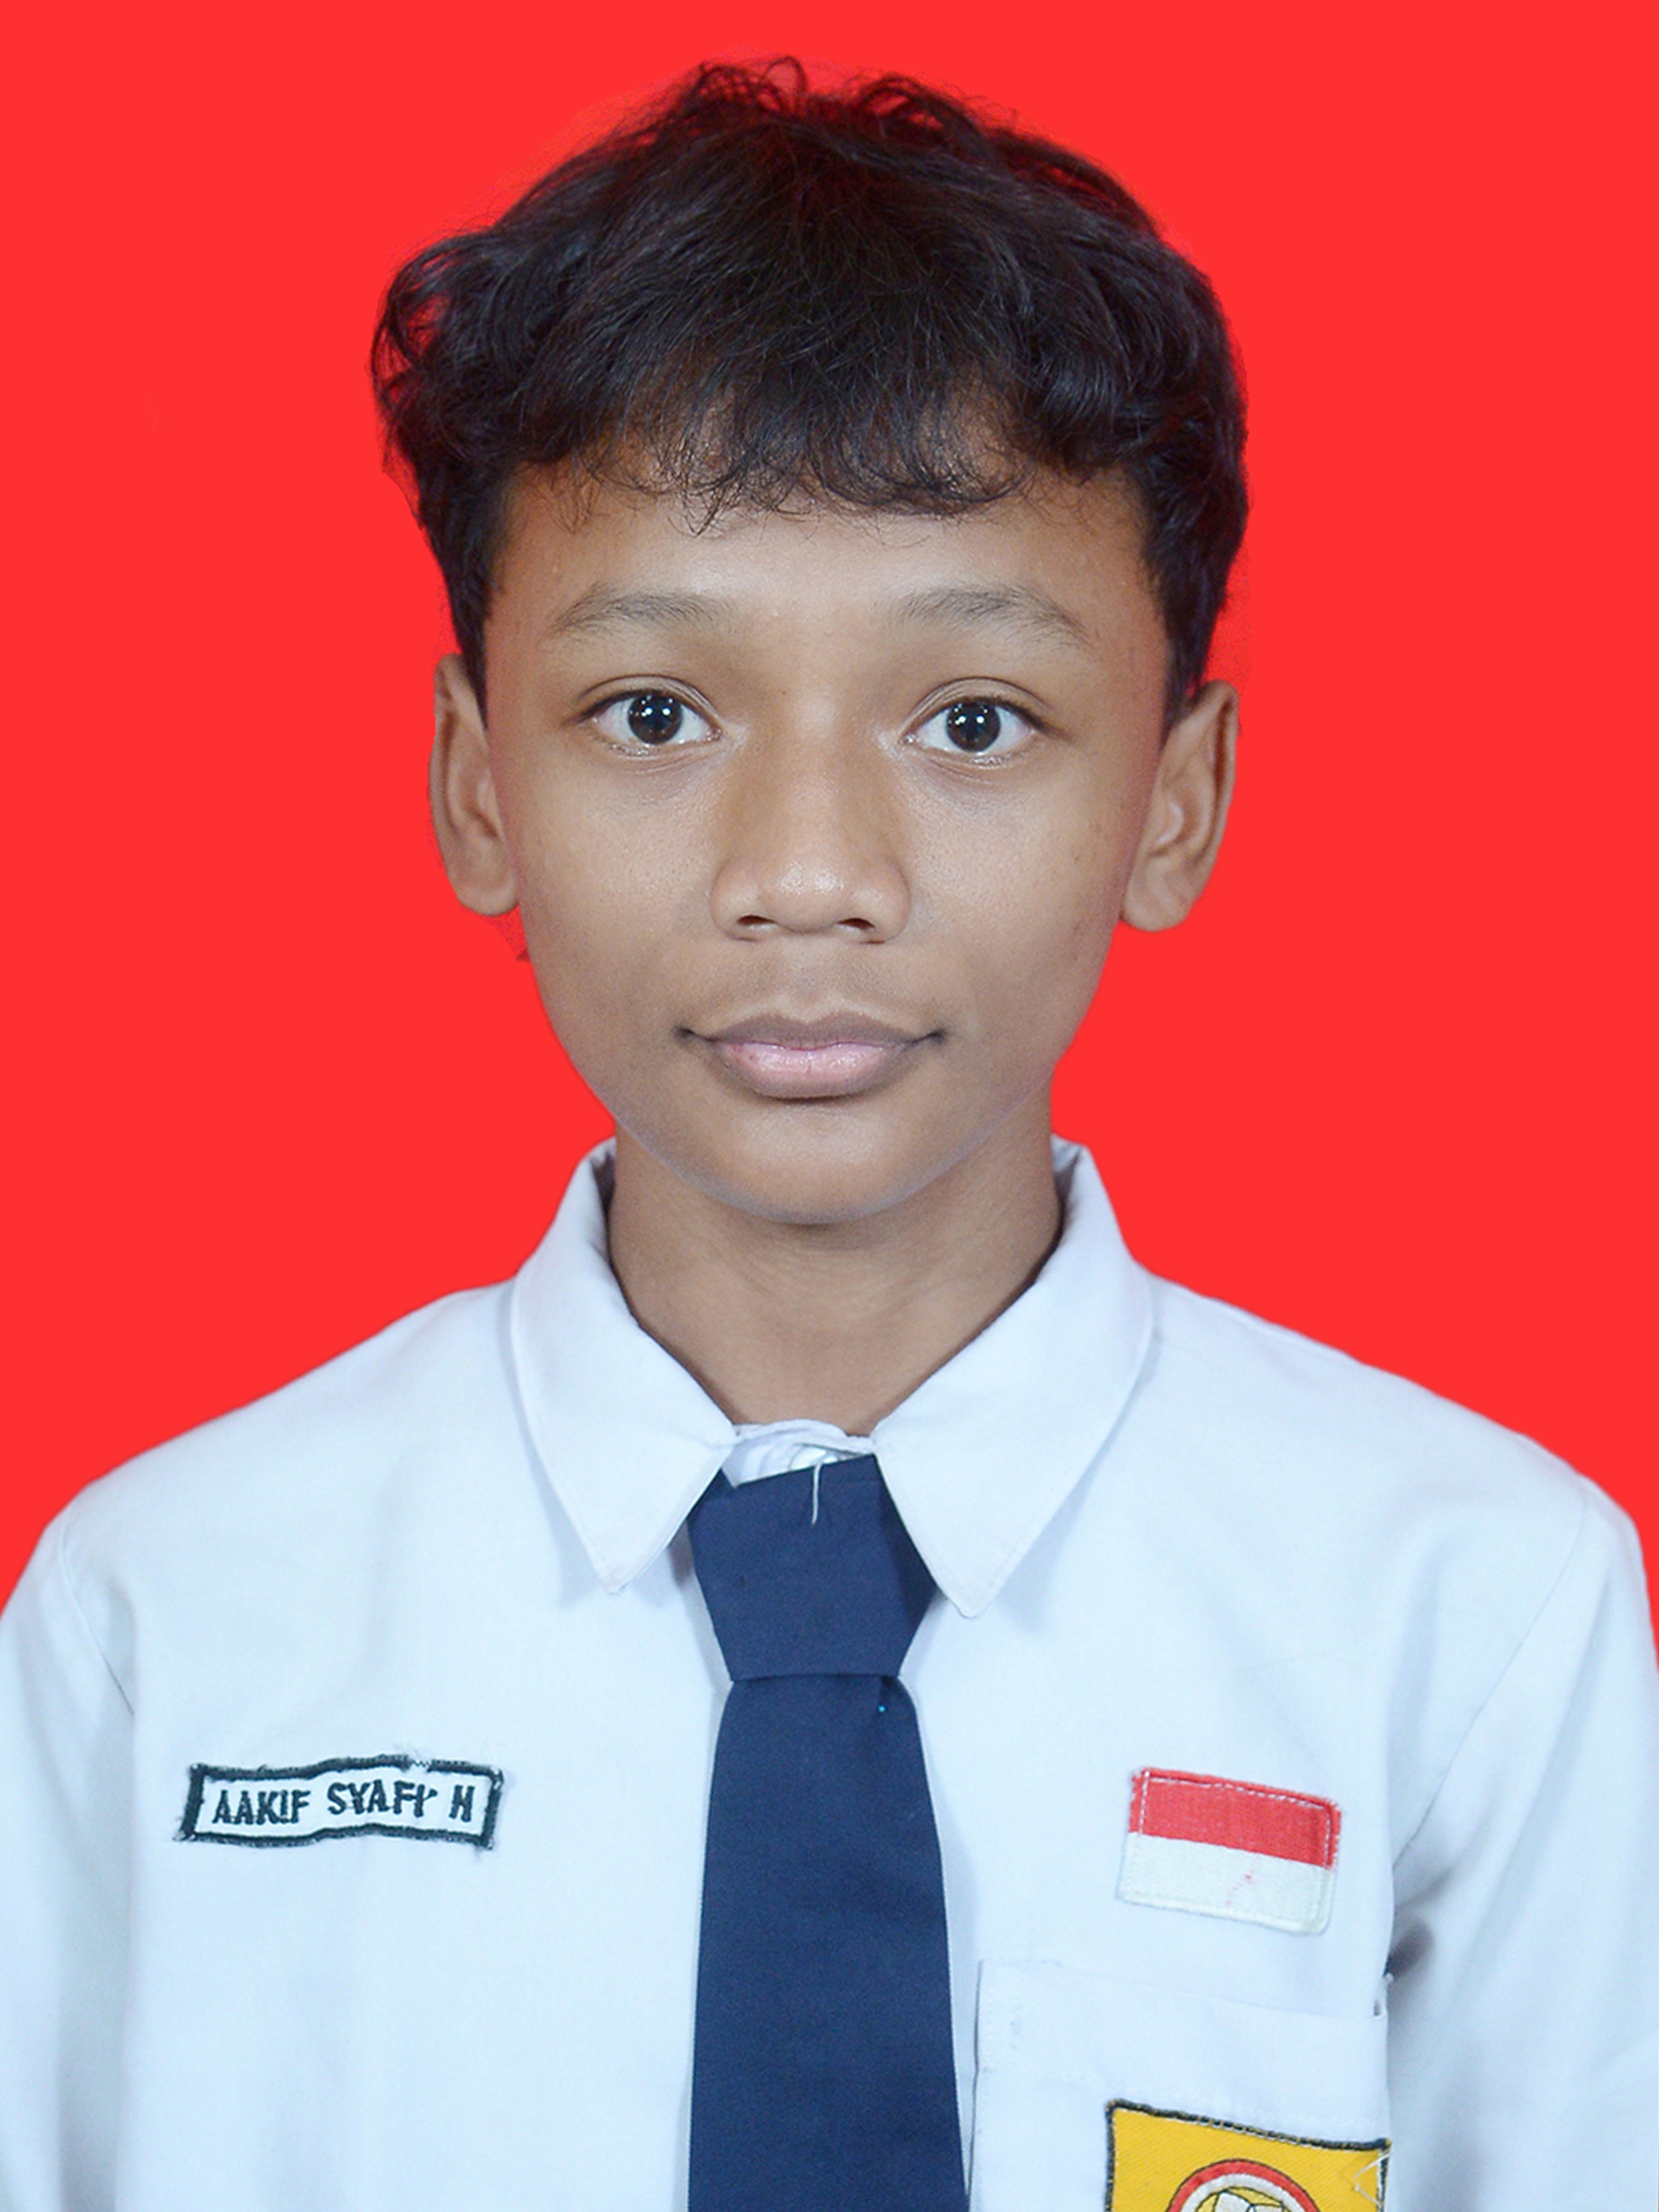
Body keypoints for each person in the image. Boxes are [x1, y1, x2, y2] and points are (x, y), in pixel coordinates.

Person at [0, 60, 1653, 2212]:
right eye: (654, 714)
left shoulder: (1471, 1615)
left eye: (974, 720)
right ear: (479, 786)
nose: (807, 873)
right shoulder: (163, 1623)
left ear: (1176, 800)